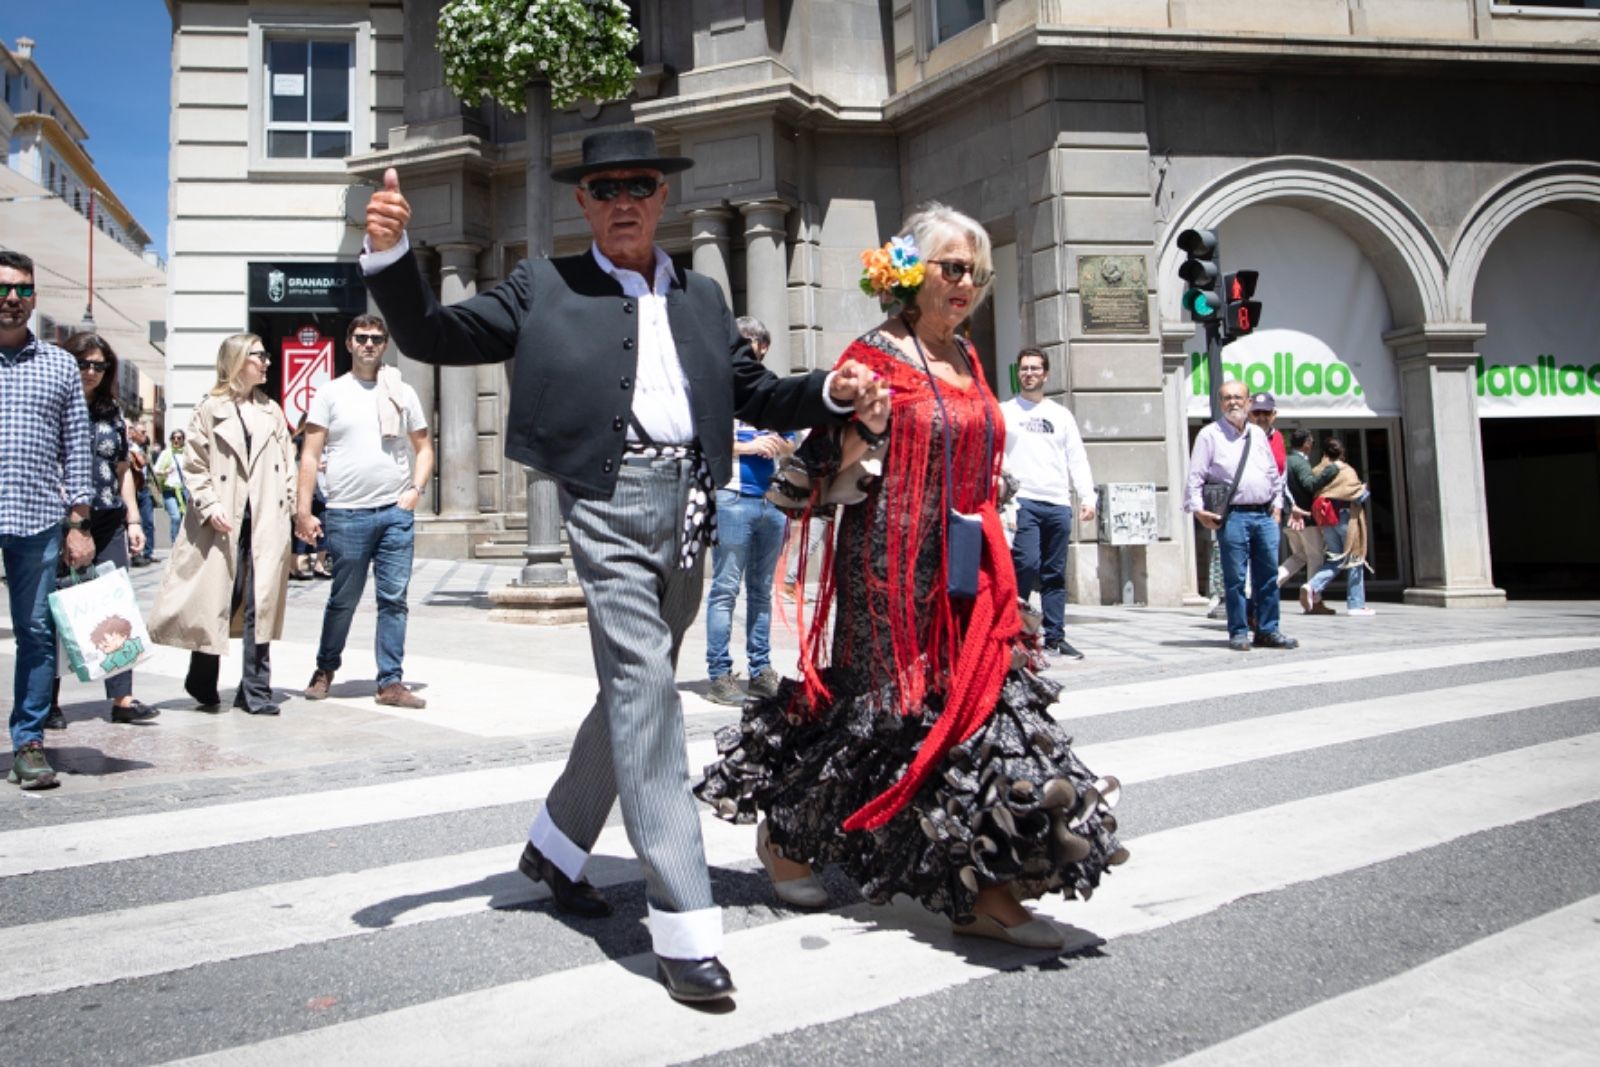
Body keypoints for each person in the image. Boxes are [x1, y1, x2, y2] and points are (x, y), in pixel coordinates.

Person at [360, 126, 874, 1004]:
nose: (626, 199)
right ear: (583, 203)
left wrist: (827, 390)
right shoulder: (544, 285)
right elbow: (436, 332)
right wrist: (391, 256)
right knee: (649, 696)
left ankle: (556, 845)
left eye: (641, 183)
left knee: (630, 692)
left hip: (696, 505)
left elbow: (753, 391)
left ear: (663, 196)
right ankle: (684, 924)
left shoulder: (706, 299)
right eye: (607, 188)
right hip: (605, 501)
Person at [697, 204, 1126, 952]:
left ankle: (983, 888)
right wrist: (855, 421)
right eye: (951, 268)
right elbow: (814, 467)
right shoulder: (877, 355)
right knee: (885, 713)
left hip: (969, 569)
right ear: (910, 273)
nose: (966, 284)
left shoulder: (967, 356)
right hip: (890, 568)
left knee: (984, 706)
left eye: (976, 272)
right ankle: (790, 838)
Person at [147, 334, 297, 715]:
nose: (266, 362)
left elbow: (288, 463)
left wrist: (293, 510)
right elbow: (193, 466)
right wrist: (209, 504)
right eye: (258, 356)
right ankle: (202, 677)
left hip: (264, 519)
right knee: (216, 599)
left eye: (266, 355)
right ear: (236, 362)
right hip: (221, 520)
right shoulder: (209, 409)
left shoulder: (272, 411)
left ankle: (256, 690)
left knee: (258, 604)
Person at [296, 315, 434, 708]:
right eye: (361, 338)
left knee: (394, 599)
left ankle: (390, 681)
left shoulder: (402, 392)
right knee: (344, 598)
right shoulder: (331, 393)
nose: (369, 344)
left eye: (376, 338)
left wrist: (414, 492)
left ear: (385, 345)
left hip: (394, 512)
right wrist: (303, 512)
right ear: (349, 342)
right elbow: (310, 454)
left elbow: (424, 449)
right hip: (346, 513)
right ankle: (325, 667)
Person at [0, 249, 93, 790]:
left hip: (36, 517)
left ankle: (29, 742)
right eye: (4, 288)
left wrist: (78, 521)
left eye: (23, 289)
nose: (13, 298)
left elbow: (76, 446)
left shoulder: (59, 365)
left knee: (36, 633)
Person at [45, 333, 158, 730]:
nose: (91, 372)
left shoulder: (112, 411)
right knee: (57, 611)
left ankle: (122, 697)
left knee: (115, 606)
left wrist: (133, 520)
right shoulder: (54, 404)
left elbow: (123, 470)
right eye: (84, 363)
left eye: (99, 365)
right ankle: (48, 700)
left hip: (109, 517)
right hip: (63, 519)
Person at [704, 316, 794, 706]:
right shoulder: (717, 387)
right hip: (731, 498)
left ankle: (761, 671)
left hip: (770, 502)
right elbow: (705, 440)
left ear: (763, 347)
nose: (742, 347)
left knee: (760, 592)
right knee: (725, 589)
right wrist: (748, 447)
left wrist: (780, 444)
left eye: (749, 341)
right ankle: (719, 674)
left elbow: (793, 440)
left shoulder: (770, 390)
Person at [1185, 380, 1297, 652]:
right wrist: (1198, 510)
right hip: (1233, 516)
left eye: (1238, 397)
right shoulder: (1210, 435)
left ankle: (1268, 630)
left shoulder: (1259, 435)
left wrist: (1278, 505)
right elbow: (1195, 477)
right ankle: (1238, 631)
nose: (1233, 402)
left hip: (1264, 514)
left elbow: (1274, 473)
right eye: (1227, 398)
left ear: (1248, 403)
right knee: (1235, 578)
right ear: (1220, 403)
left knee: (1268, 576)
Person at [1002, 347, 1096, 660]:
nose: (1029, 373)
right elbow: (995, 456)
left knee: (1055, 573)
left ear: (1046, 374)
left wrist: (1087, 496)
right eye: (1024, 368)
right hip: (1022, 500)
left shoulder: (1060, 415)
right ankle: (1016, 631)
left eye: (1035, 368)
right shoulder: (1006, 412)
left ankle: (1055, 636)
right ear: (1018, 373)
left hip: (1057, 501)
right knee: (1025, 564)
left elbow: (1076, 457)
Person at [1305, 436, 1375, 616]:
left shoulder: (1318, 470)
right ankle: (1356, 604)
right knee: (1354, 558)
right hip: (1346, 518)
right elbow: (1357, 495)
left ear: (1324, 453)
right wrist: (1364, 489)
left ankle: (1312, 585)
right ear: (1341, 453)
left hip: (1327, 519)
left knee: (1336, 558)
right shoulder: (1347, 471)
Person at [1279, 427, 1340, 612]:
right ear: (1305, 444)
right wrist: (1331, 470)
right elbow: (1309, 484)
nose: (1312, 445)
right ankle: (1315, 600)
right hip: (1305, 519)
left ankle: (1271, 584)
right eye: (1311, 441)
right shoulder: (1301, 463)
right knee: (1315, 558)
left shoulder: (1286, 461)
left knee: (1299, 556)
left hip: (1288, 519)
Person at [289, 415, 331, 581]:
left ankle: (319, 564)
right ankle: (294, 566)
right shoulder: (298, 440)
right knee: (299, 524)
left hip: (316, 487)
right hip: (300, 486)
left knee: (323, 521)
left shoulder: (321, 442)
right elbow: (291, 462)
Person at [127, 422, 158, 565]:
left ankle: (148, 552)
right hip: (132, 489)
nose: (145, 435)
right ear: (133, 433)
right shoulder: (128, 448)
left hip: (144, 488)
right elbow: (139, 464)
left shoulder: (144, 449)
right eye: (142, 432)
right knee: (133, 522)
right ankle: (135, 554)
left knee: (148, 522)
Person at [153, 429, 189, 541]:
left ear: (183, 440)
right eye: (174, 438)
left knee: (185, 519)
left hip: (184, 490)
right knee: (176, 517)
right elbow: (156, 470)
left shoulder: (187, 454)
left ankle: (182, 545)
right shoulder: (166, 453)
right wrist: (166, 472)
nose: (176, 440)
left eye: (179, 438)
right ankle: (175, 544)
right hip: (169, 490)